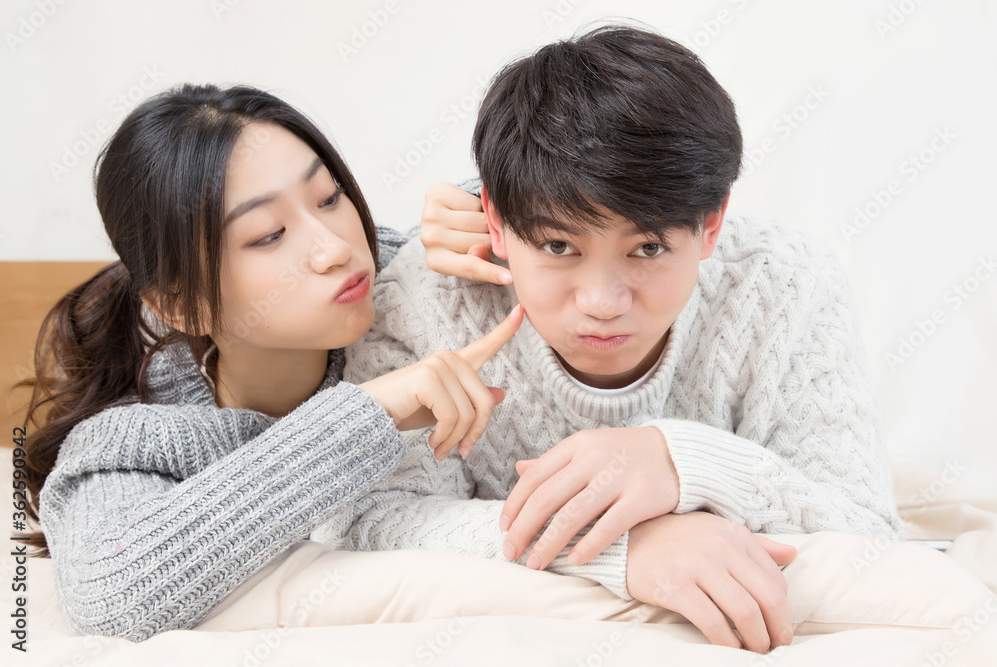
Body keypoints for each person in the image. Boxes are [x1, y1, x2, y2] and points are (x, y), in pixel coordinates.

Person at [314, 25, 904, 653]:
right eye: (558, 246)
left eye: (648, 248)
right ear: (494, 217)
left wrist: (680, 463)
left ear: (710, 226)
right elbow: (371, 522)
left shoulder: (785, 285)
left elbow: (866, 533)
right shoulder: (420, 306)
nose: (601, 303)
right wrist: (622, 547)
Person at [15, 83, 522, 641]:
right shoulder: (137, 440)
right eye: (269, 235)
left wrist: (482, 207)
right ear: (184, 305)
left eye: (329, 198)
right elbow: (108, 598)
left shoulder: (406, 281)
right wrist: (366, 415)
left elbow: (595, 207)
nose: (335, 248)